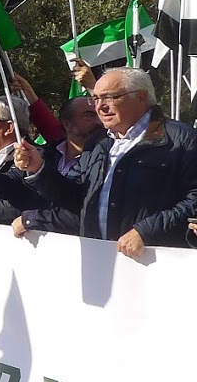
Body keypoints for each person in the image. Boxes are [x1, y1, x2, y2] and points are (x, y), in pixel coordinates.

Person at [13, 67, 197, 254]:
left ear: (141, 97)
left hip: (154, 263)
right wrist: (39, 170)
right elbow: (76, 197)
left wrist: (146, 231)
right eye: (97, 98)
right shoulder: (99, 142)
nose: (100, 106)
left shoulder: (181, 139)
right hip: (102, 262)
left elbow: (194, 201)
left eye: (110, 97)